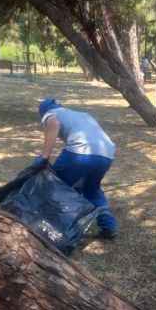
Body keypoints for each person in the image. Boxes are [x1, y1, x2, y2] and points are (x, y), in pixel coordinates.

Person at [33, 98, 118, 239]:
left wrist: (44, 157)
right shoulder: (81, 114)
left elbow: (53, 123)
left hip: (80, 151)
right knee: (92, 190)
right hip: (106, 154)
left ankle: (56, 228)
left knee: (57, 187)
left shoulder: (50, 114)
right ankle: (108, 226)